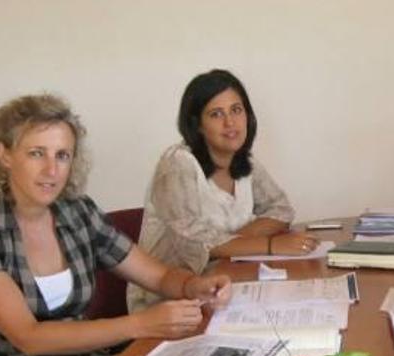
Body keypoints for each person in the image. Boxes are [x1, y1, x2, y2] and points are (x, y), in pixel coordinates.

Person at [0, 94, 231, 356]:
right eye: (36, 153)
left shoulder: (77, 212)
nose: (51, 170)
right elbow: (29, 338)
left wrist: (193, 285)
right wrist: (140, 324)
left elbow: (158, 274)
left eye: (62, 155)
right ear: (4, 155)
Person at [127, 69, 318, 311]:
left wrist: (233, 243)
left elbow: (280, 209)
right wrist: (268, 244)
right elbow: (194, 242)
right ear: (197, 125)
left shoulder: (243, 161)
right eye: (216, 114)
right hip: (171, 302)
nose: (230, 123)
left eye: (236, 110)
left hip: (225, 282)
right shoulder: (177, 165)